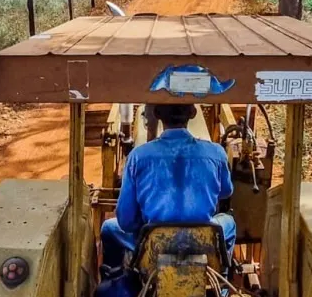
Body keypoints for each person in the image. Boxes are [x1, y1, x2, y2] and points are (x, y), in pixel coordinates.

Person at [100, 104, 236, 268]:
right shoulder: (216, 152)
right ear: (193, 113)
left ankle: (119, 280)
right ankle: (222, 283)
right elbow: (226, 191)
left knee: (109, 229)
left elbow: (126, 221)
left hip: (154, 244)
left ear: (156, 114)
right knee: (229, 222)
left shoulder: (138, 156)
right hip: (202, 241)